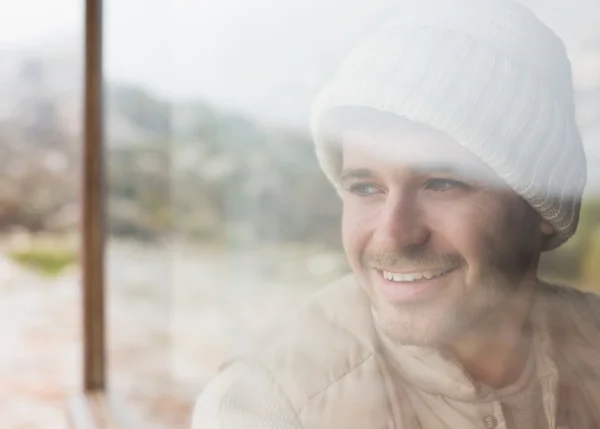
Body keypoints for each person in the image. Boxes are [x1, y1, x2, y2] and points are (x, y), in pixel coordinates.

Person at [193, 0, 600, 428]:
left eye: (442, 184)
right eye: (366, 188)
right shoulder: (268, 407)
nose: (392, 236)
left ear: (542, 205)